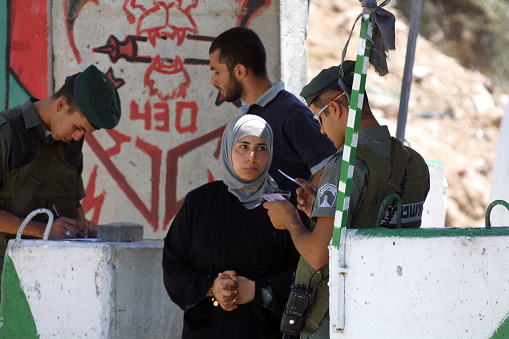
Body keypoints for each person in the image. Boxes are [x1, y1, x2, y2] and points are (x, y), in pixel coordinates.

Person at [264, 61, 430, 338]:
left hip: (338, 316)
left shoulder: (345, 166)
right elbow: (372, 217)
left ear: (336, 109)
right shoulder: (415, 163)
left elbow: (318, 256)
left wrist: (292, 221)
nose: (321, 131)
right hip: (388, 310)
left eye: (320, 119)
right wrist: (317, 210)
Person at [163, 114, 300, 339]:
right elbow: (173, 265)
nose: (251, 157)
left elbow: (302, 274)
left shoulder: (283, 207)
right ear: (227, 148)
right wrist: (211, 287)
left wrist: (256, 291)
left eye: (261, 148)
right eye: (243, 146)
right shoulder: (199, 203)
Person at [0, 64, 121, 260]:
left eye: (84, 133)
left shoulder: (71, 143)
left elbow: (73, 202)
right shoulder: (6, 133)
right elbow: (48, 231)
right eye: (77, 127)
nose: (77, 137)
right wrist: (43, 231)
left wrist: (81, 225)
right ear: (61, 105)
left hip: (52, 269)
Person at [209, 27, 337, 194]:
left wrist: (304, 211)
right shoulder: (252, 115)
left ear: (239, 71)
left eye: (217, 71)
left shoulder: (291, 113)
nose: (213, 80)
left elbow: (331, 166)